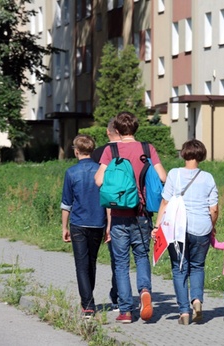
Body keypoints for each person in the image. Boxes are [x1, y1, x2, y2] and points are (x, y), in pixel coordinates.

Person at [94, 111, 167, 324]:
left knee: (121, 262)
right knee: (142, 256)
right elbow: (162, 177)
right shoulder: (148, 149)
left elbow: (99, 180)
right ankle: (145, 290)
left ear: (116, 130)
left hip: (118, 215)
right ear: (135, 129)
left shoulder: (111, 149)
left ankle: (125, 310)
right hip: (142, 214)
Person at [153, 139, 219, 325]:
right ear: (202, 155)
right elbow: (213, 209)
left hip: (178, 230)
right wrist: (211, 226)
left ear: (183, 153)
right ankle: (197, 300)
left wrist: (157, 226)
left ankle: (183, 312)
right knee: (197, 266)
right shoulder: (208, 178)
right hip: (201, 228)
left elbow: (165, 202)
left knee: (179, 268)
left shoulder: (174, 174)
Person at [61, 134, 107, 319]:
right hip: (98, 222)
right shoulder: (102, 170)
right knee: (92, 262)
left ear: (76, 151)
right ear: (92, 150)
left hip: (78, 223)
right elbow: (107, 200)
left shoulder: (71, 173)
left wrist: (64, 227)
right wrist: (109, 225)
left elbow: (66, 203)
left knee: (81, 264)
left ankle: (87, 304)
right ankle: (88, 298)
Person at [91, 118, 121, 311]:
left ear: (108, 132)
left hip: (101, 208)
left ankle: (88, 300)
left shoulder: (98, 153)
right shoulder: (135, 150)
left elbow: (98, 182)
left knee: (94, 258)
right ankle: (119, 296)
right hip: (128, 207)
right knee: (120, 258)